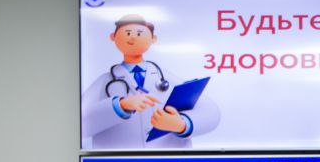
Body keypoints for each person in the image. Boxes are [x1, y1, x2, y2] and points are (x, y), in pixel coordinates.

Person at [81, 15, 220, 149]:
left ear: (153, 39)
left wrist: (182, 125)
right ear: (113, 37)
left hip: (168, 161)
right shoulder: (105, 82)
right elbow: (79, 124)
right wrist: (120, 106)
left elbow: (211, 113)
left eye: (139, 33)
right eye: (128, 33)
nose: (133, 37)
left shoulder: (166, 78)